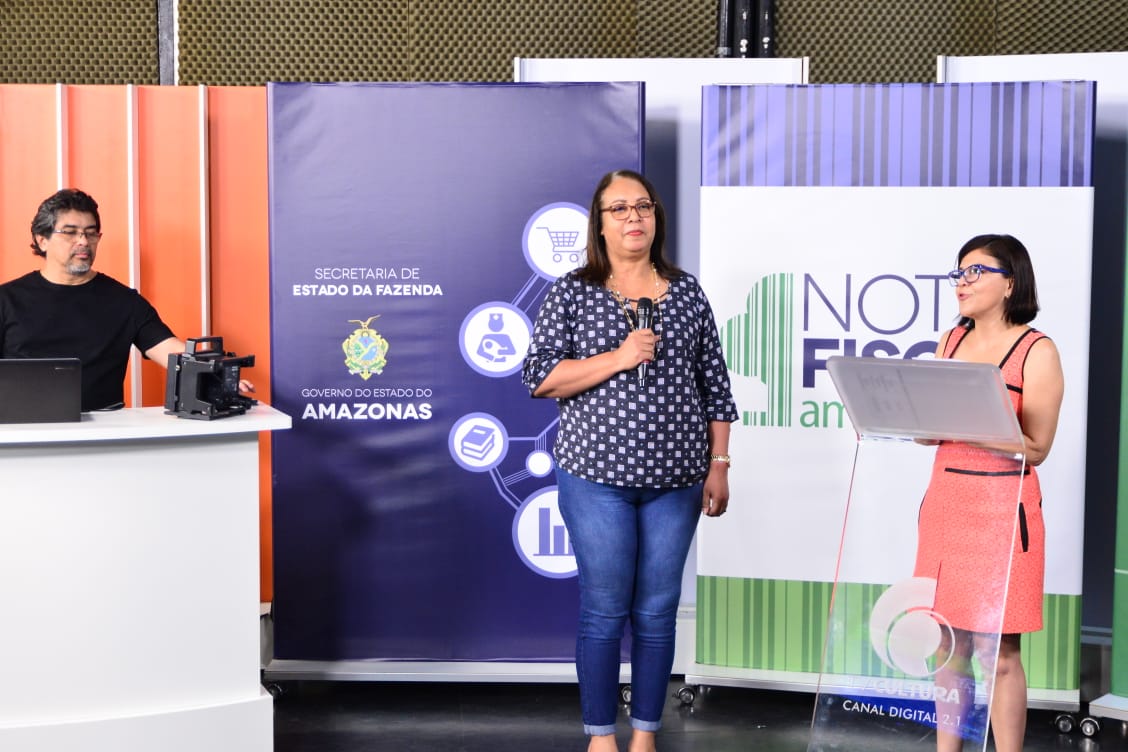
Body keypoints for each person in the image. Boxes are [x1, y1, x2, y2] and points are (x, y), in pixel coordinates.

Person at [522, 169, 738, 752]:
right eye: (618, 209)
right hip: (596, 479)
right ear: (599, 224)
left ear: (655, 218)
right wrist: (619, 357)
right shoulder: (572, 292)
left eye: (643, 206)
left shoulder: (686, 292)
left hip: (677, 480)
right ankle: (601, 738)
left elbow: (715, 387)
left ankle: (645, 736)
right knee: (604, 609)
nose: (633, 217)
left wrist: (719, 463)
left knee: (658, 611)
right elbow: (540, 377)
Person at [914, 234, 1064, 752]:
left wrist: (969, 423)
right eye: (958, 272)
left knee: (997, 652)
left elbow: (1037, 447)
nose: (962, 282)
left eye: (975, 272)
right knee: (946, 646)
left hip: (1002, 512)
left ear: (1011, 283)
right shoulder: (951, 340)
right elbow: (930, 430)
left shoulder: (1037, 350)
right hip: (945, 504)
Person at [0, 188, 252, 411]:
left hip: (106, 430)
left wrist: (217, 376)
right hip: (22, 431)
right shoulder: (7, 299)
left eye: (90, 233)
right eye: (70, 233)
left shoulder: (124, 301)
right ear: (42, 240)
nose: (83, 242)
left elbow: (170, 350)